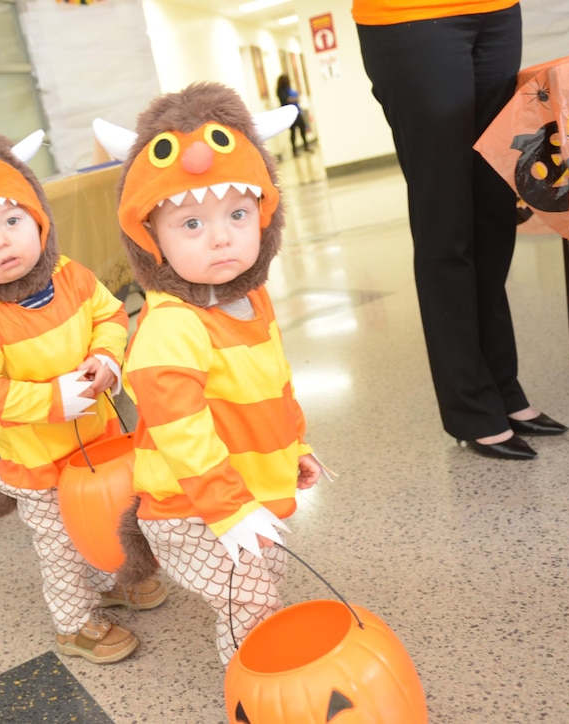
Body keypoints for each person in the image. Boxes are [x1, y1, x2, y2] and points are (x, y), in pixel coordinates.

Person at [92, 82, 327, 665]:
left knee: (260, 582)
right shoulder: (173, 325)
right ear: (152, 240)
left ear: (264, 217)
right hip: (189, 508)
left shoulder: (255, 299)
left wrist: (295, 444)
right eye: (190, 224)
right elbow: (182, 436)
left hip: (247, 489)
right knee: (251, 604)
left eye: (238, 213)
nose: (221, 235)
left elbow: (273, 386)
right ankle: (256, 688)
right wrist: (225, 506)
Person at [0, 126, 167, 665]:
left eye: (12, 222)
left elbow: (110, 315)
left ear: (39, 220)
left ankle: (114, 576)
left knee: (107, 515)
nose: (2, 242)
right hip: (36, 462)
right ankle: (74, 625)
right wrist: (52, 400)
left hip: (97, 441)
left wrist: (107, 358)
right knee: (59, 546)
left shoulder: (72, 276)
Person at [352, 0, 568, 460]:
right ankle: (471, 408)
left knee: (494, 209)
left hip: (496, 11)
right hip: (408, 18)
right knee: (444, 215)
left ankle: (504, 391)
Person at [275, 74, 310, 155]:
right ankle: (294, 151)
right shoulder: (280, 91)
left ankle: (306, 146)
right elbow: (286, 100)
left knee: (302, 129)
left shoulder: (288, 89)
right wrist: (296, 99)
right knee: (293, 132)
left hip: (297, 112)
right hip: (289, 114)